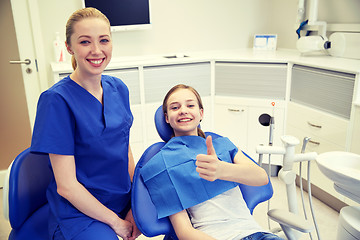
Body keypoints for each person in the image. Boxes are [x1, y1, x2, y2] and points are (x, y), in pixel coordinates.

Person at [30, 7, 140, 240]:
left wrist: (135, 203)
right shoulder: (56, 101)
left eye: (103, 40)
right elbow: (66, 186)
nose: (97, 50)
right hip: (79, 211)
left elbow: (125, 150)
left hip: (121, 198)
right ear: (69, 47)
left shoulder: (118, 88)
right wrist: (116, 223)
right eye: (85, 42)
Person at [140, 84, 284, 240]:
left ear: (201, 113)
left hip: (257, 234)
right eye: (175, 107)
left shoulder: (222, 145)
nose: (183, 110)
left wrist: (223, 170)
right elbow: (184, 232)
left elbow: (261, 177)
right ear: (167, 117)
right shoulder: (161, 165)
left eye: (190, 105)